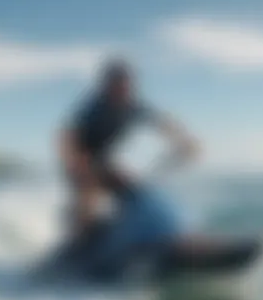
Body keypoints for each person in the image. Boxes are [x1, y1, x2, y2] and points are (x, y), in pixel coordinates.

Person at [58, 58, 199, 237]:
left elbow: (164, 123)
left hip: (108, 164)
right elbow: (67, 135)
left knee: (138, 189)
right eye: (118, 84)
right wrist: (73, 160)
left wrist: (186, 142)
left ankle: (151, 233)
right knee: (90, 192)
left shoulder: (134, 106)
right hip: (84, 162)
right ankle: (80, 239)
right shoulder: (94, 108)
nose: (124, 89)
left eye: (127, 84)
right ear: (107, 85)